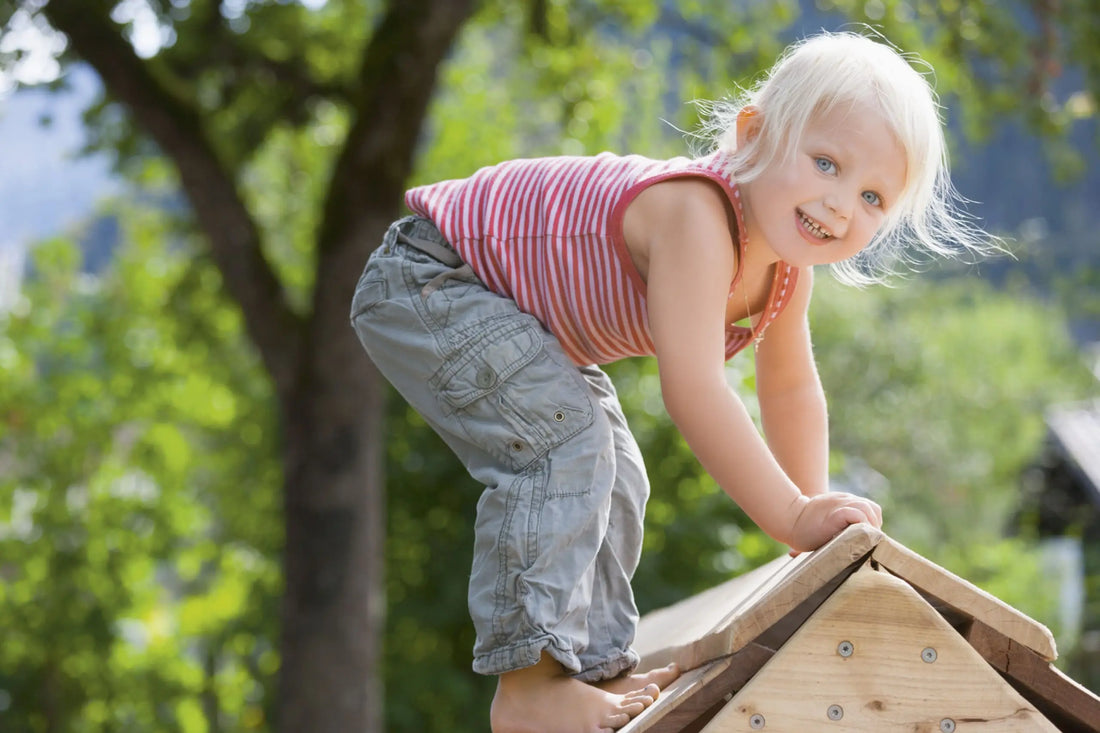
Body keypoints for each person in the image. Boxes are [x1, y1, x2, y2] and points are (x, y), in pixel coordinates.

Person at [350, 30, 996, 733]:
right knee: (567, 445)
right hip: (432, 279)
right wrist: (789, 514)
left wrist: (809, 527)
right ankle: (530, 685)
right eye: (826, 163)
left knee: (618, 469)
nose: (842, 204)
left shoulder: (786, 272)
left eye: (873, 195)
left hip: (514, 320)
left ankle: (591, 673)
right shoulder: (699, 217)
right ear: (754, 135)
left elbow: (790, 390)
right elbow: (693, 391)